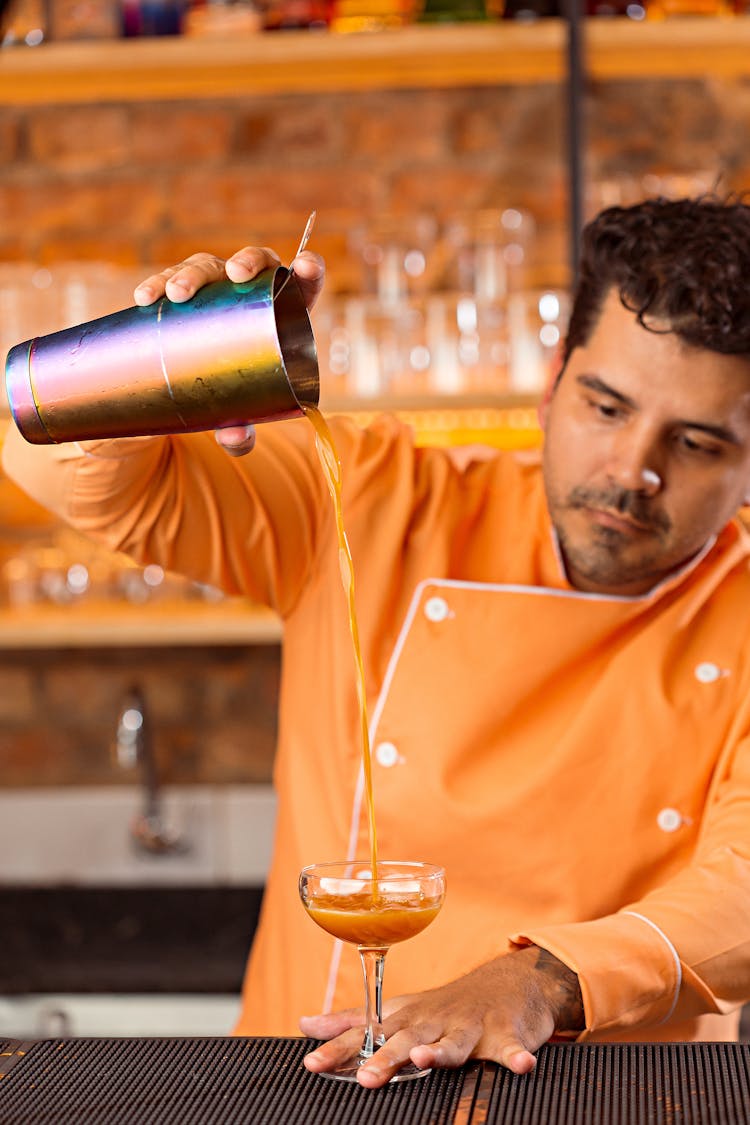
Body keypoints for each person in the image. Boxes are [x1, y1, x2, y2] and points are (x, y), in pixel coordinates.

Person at [4, 196, 750, 1088]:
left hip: (606, 1096)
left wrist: (537, 979)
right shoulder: (375, 496)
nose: (633, 469)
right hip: (305, 1082)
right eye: (605, 406)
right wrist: (157, 358)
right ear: (552, 381)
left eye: (698, 441)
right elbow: (57, 461)